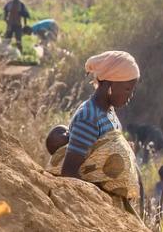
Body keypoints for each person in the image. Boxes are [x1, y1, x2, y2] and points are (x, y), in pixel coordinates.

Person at [55, 51, 142, 216]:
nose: (130, 96)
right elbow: (69, 171)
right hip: (93, 208)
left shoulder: (108, 112)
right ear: (110, 85)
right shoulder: (89, 118)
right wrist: (100, 202)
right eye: (127, 89)